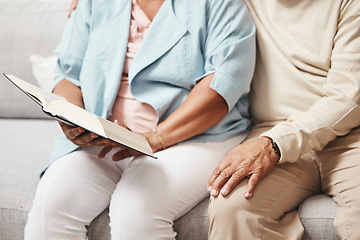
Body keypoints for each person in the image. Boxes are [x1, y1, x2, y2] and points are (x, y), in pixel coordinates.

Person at [24, 0, 256, 239]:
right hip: (107, 137)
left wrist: (155, 137)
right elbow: (68, 75)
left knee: (134, 210)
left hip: (194, 136)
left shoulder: (221, 3)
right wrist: (73, 119)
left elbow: (223, 83)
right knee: (52, 203)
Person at [207, 0, 360, 239]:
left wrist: (274, 144)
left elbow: (348, 100)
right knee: (232, 209)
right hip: (272, 130)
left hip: (348, 136)